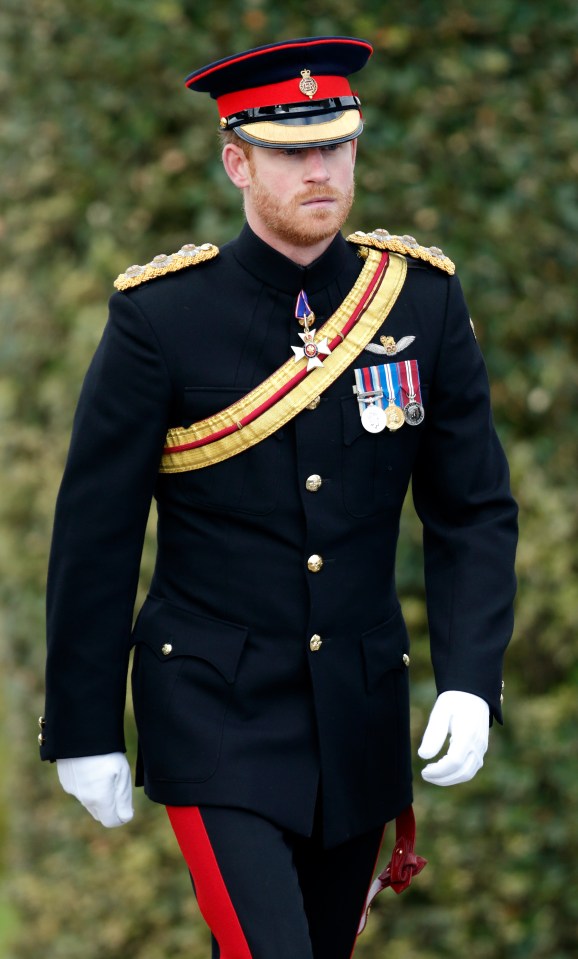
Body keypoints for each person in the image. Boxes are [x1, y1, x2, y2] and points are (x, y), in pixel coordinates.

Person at [39, 36, 518, 959]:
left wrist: (469, 673)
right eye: (292, 151)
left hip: (358, 714)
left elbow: (471, 508)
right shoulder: (161, 317)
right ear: (236, 162)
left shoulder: (419, 302)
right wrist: (85, 725)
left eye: (336, 146)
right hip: (213, 710)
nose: (320, 170)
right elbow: (97, 531)